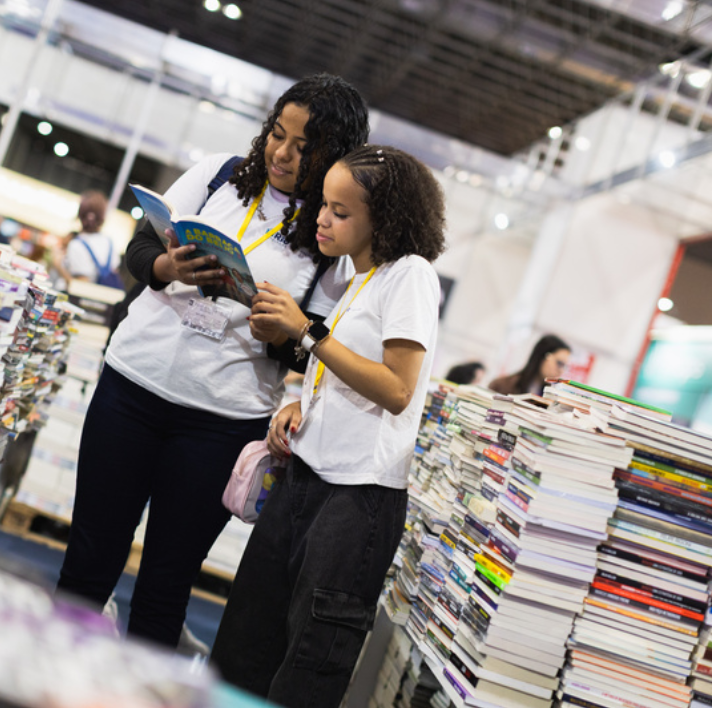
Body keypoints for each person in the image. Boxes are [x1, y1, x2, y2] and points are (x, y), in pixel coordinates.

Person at [55, 74, 371, 650]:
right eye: (277, 134)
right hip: (131, 388)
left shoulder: (329, 238)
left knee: (164, 590)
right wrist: (169, 267)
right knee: (87, 563)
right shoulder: (218, 176)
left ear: (334, 156)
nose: (282, 153)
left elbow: (313, 347)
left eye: (304, 147)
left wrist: (279, 331)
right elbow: (139, 249)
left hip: (221, 423)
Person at [210, 145, 447, 707]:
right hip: (306, 479)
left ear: (383, 219)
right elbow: (349, 372)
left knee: (308, 665)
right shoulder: (359, 279)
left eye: (341, 212)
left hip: (356, 498)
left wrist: (307, 332)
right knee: (246, 642)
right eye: (324, 206)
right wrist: (302, 403)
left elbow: (397, 389)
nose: (322, 219)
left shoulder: (410, 275)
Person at [58, 190, 122, 287]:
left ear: (80, 214)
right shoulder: (109, 242)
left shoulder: (77, 244)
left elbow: (81, 285)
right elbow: (114, 271)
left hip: (76, 296)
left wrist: (58, 265)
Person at [488, 333, 570, 396]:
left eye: (564, 366)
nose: (561, 371)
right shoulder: (501, 386)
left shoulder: (550, 397)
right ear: (543, 356)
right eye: (559, 363)